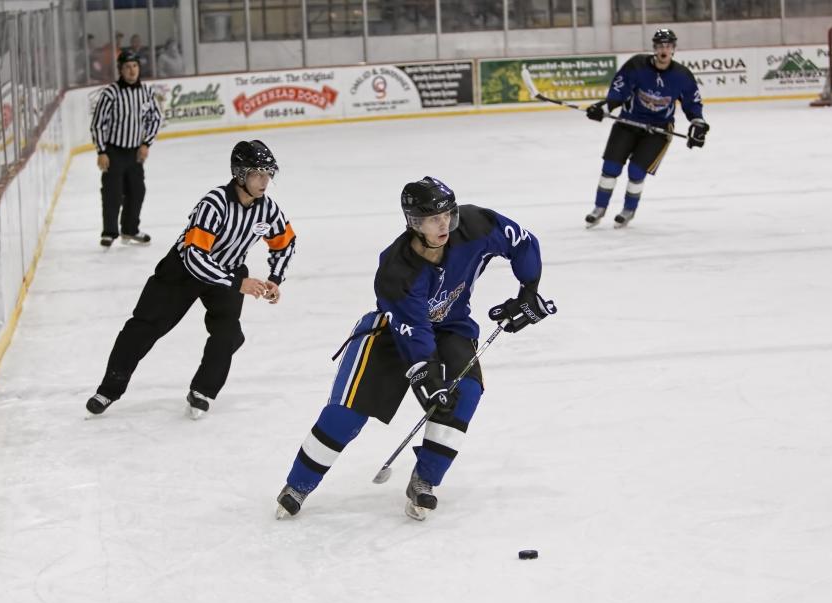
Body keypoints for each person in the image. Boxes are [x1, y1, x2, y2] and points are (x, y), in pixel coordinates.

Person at [274, 176, 556, 522]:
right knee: (347, 412)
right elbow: (415, 331)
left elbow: (523, 242)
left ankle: (425, 479)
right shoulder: (396, 268)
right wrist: (427, 374)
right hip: (392, 332)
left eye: (448, 215)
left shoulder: (476, 225)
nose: (445, 224)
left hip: (451, 328)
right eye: (434, 219)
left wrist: (528, 290)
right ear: (413, 222)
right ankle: (298, 485)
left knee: (464, 393)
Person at [85, 141, 297, 419]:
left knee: (227, 334)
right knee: (143, 328)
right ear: (239, 174)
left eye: (268, 174)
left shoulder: (267, 210)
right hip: (182, 272)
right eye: (258, 174)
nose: (265, 181)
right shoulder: (214, 204)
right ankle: (108, 390)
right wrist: (238, 284)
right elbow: (195, 257)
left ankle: (202, 391)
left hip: (229, 271)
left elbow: (285, 242)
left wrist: (275, 278)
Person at [583, 28, 708, 229]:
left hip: (658, 131)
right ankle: (599, 208)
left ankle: (629, 209)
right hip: (628, 122)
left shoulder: (682, 75)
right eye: (660, 46)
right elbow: (619, 90)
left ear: (673, 49)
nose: (664, 50)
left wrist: (698, 123)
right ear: (654, 48)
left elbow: (692, 103)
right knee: (610, 168)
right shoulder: (637, 65)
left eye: (668, 46)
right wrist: (605, 107)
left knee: (636, 171)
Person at [90, 50, 164, 247]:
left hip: (135, 153)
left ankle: (130, 229)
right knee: (112, 193)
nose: (132, 70)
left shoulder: (146, 92)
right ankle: (109, 232)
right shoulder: (111, 93)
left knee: (137, 191)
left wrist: (146, 143)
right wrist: (101, 151)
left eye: (135, 66)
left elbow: (156, 118)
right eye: (127, 67)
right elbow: (98, 124)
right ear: (120, 70)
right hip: (114, 152)